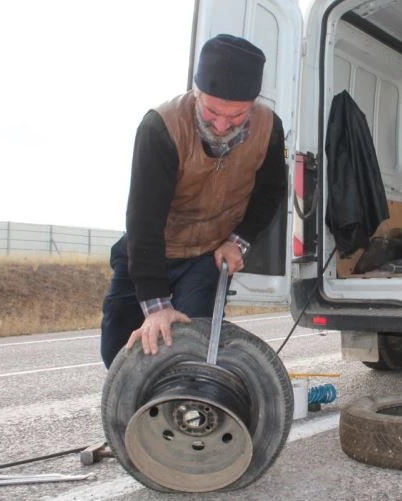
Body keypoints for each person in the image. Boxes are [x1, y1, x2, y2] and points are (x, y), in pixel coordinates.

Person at [100, 34, 287, 368]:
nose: (220, 125)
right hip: (154, 247)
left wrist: (237, 241)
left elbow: (270, 192)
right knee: (118, 349)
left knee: (193, 343)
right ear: (196, 91)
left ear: (253, 102)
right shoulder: (160, 128)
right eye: (212, 110)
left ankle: (186, 407)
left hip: (207, 254)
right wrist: (156, 308)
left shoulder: (268, 128)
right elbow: (144, 220)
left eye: (236, 116)